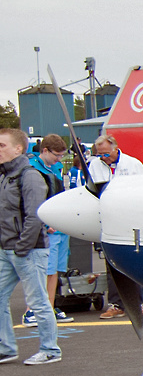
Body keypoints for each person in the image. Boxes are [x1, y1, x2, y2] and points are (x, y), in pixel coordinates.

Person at [0, 128, 61, 365]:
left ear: (18, 148)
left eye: (2, 145)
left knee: (38, 301)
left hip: (28, 250)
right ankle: (6, 348)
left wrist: (21, 247)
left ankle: (50, 349)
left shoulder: (30, 176)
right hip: (9, 249)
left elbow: (35, 216)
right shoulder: (6, 176)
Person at [90, 133, 143, 319]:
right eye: (100, 155)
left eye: (106, 154)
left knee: (133, 262)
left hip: (129, 219)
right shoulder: (94, 166)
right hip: (107, 219)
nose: (103, 158)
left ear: (115, 148)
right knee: (111, 262)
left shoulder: (133, 164)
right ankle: (116, 303)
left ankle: (140, 302)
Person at [23, 134, 74, 327]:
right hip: (45, 228)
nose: (59, 159)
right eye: (57, 155)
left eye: (62, 156)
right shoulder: (31, 170)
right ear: (44, 150)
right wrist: (44, 223)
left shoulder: (57, 168)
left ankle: (49, 307)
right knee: (43, 270)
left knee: (54, 271)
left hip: (59, 227)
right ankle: (32, 311)